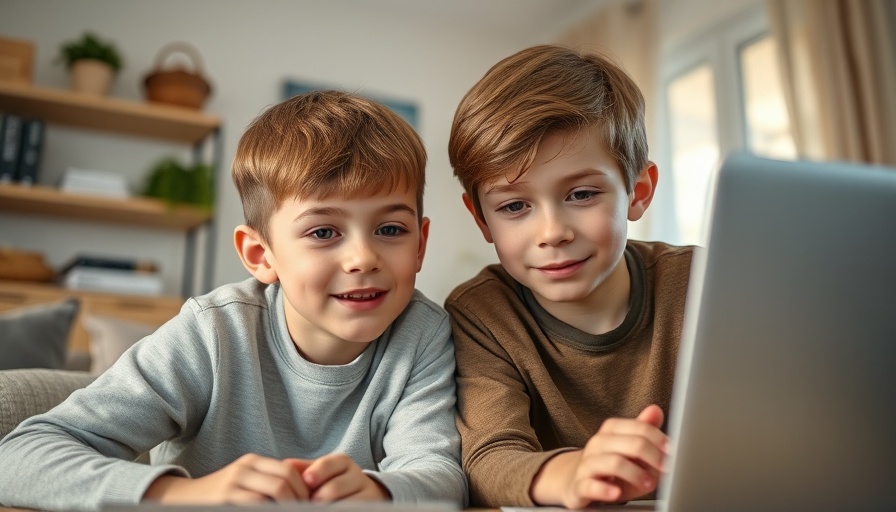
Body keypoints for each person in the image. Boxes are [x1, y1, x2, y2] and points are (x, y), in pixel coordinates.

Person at [0, 90, 467, 511]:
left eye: (390, 229)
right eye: (323, 232)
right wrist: (183, 494)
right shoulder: (213, 331)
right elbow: (18, 457)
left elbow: (441, 476)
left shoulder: (423, 334)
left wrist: (381, 493)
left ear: (420, 245)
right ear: (260, 255)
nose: (363, 258)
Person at [445, 44, 695, 509]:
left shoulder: (699, 283)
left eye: (581, 194)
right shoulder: (482, 313)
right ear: (482, 220)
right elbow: (489, 458)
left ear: (637, 192)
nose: (553, 233)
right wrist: (572, 473)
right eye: (514, 206)